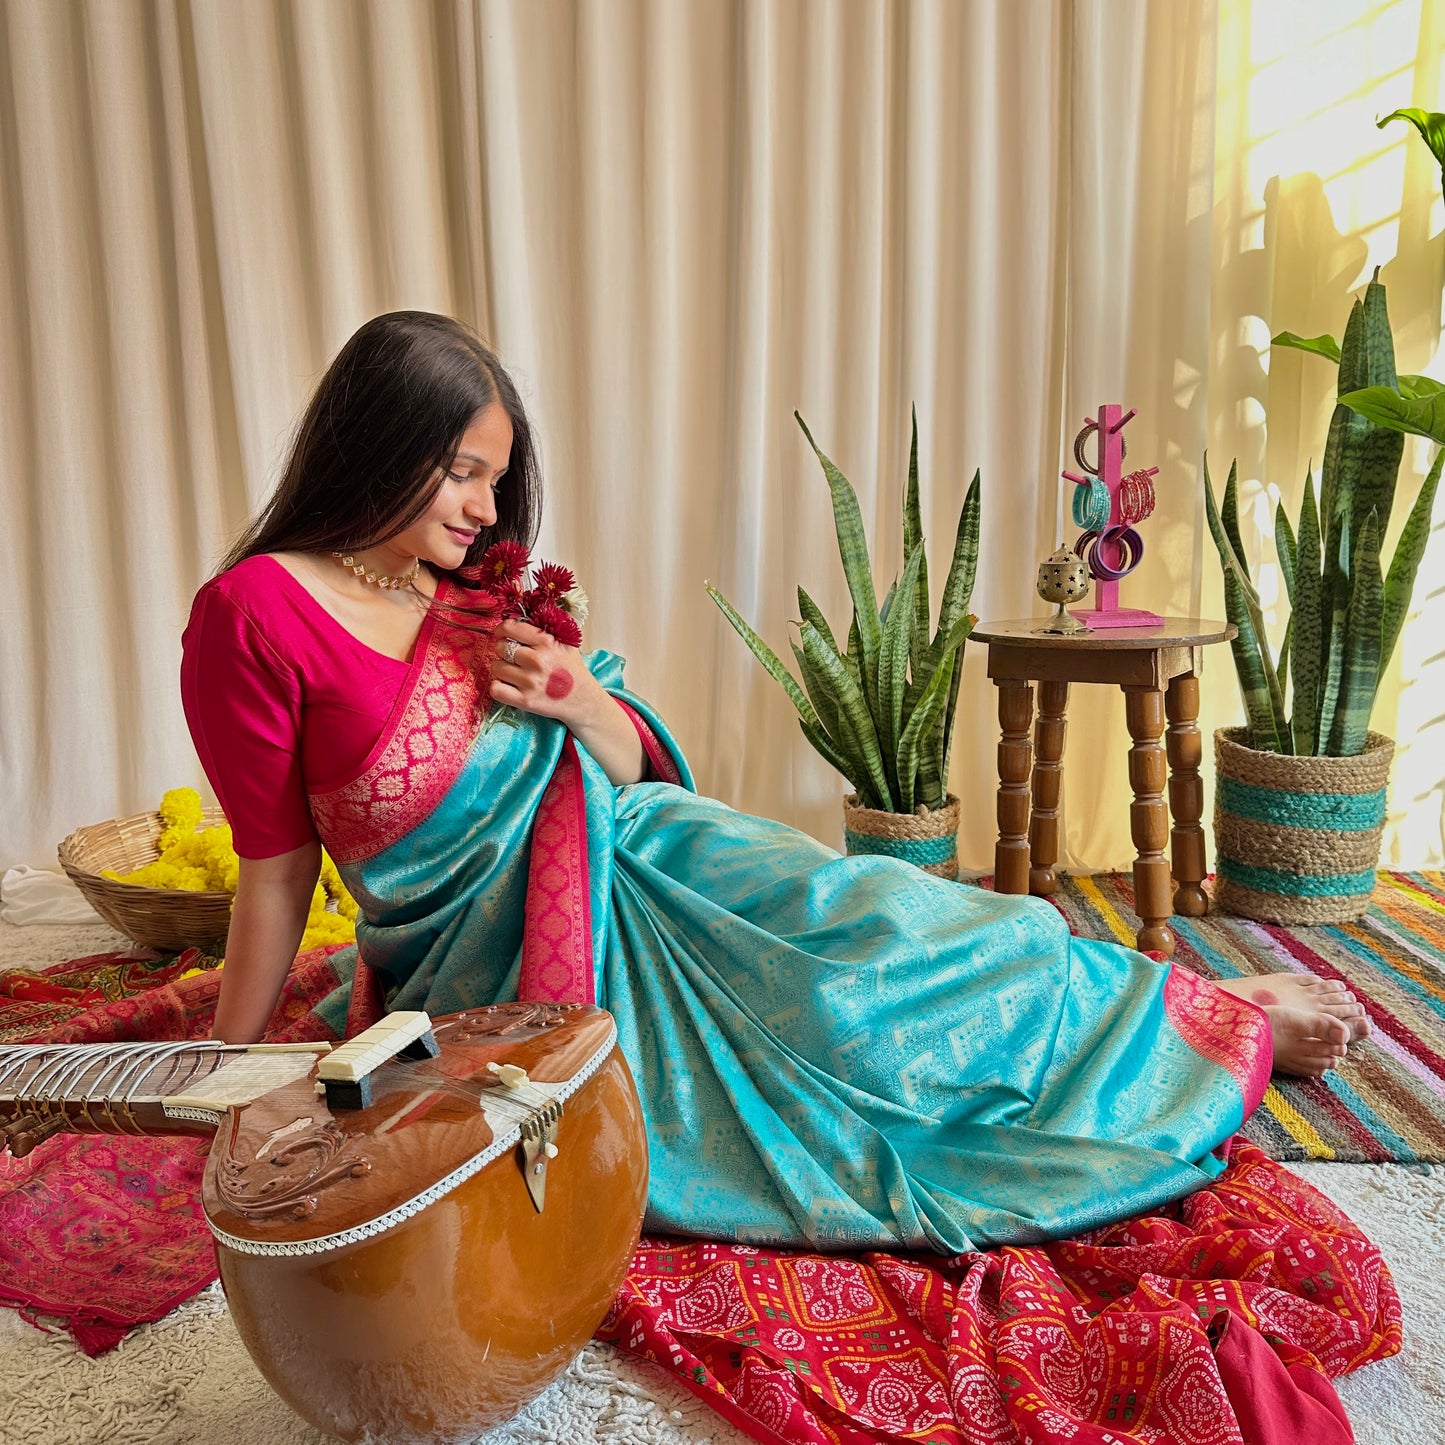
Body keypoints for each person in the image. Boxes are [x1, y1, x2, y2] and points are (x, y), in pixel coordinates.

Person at [181, 311, 1366, 1253]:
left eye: (494, 478)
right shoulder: (254, 615)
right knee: (852, 1001)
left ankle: (1178, 1014)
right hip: (499, 969)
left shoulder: (467, 591)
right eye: (459, 471)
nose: (486, 508)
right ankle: (1174, 1023)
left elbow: (629, 762)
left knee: (891, 918)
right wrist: (227, 1066)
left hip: (642, 852)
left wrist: (577, 699)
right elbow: (276, 868)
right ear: (377, 442)